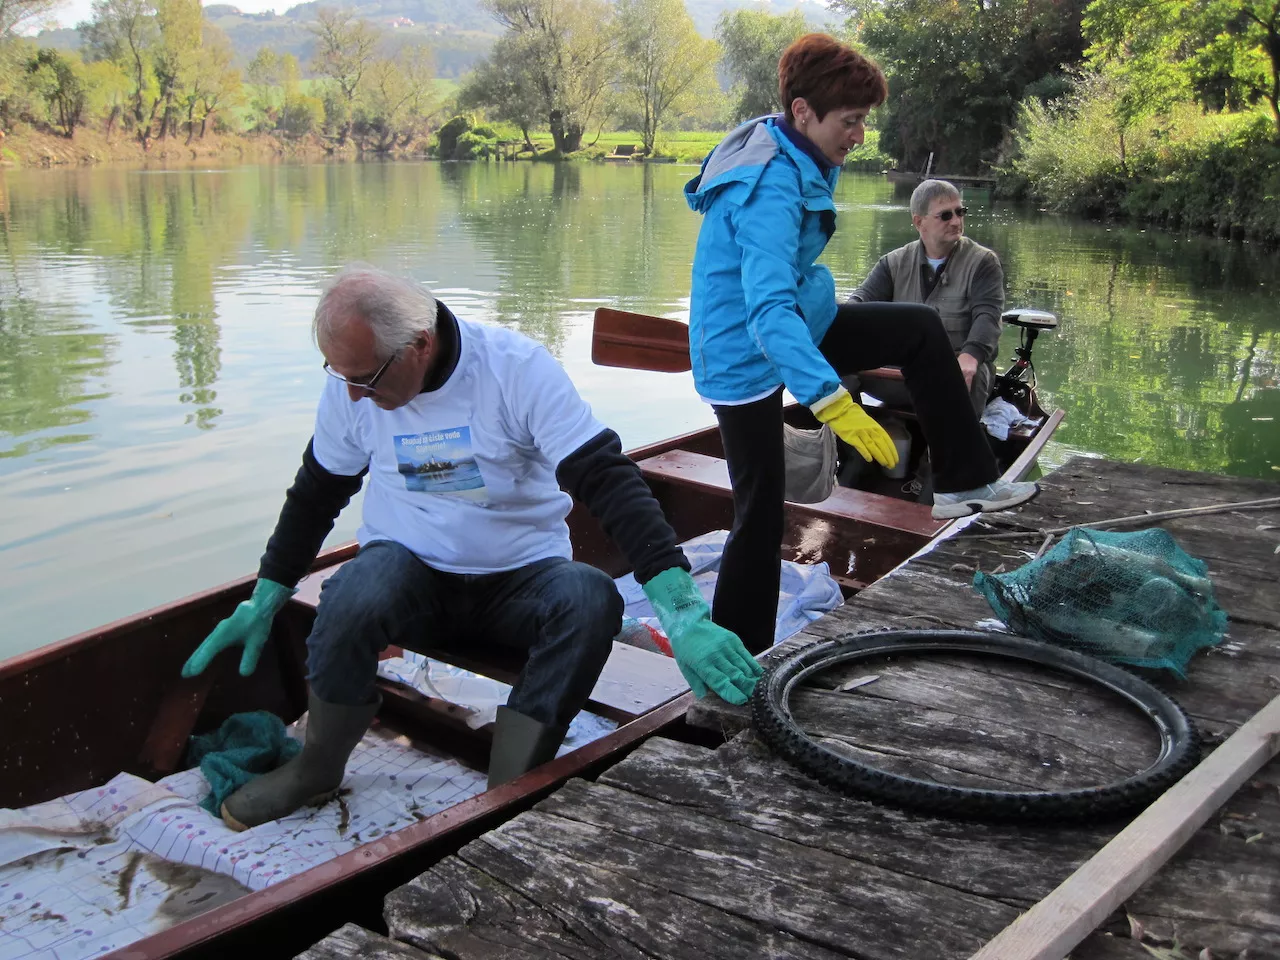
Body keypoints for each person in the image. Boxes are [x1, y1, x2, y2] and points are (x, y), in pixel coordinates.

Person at [180, 265, 761, 831]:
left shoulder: (515, 370)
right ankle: (317, 768)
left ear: (420, 344)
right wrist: (266, 595)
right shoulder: (353, 387)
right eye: (342, 376)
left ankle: (505, 795)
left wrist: (683, 613)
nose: (354, 394)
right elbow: (317, 493)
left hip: (520, 585)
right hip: (409, 577)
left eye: (367, 379)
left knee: (591, 597)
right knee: (351, 591)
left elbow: (607, 480)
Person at [684, 33, 1038, 654]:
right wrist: (831, 400)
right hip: (744, 355)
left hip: (798, 322)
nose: (859, 135)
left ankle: (963, 481)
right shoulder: (769, 186)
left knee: (919, 329)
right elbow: (766, 311)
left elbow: (783, 301)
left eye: (863, 120)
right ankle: (742, 659)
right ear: (803, 112)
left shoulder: (791, 142)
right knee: (760, 513)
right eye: (850, 121)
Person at [849, 178, 1004, 415]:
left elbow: (988, 316)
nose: (956, 221)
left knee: (969, 377)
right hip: (899, 373)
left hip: (954, 371)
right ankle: (851, 435)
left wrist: (970, 356)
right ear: (919, 222)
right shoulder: (893, 263)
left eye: (960, 212)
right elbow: (859, 304)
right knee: (839, 361)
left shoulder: (983, 262)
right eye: (945, 215)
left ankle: (954, 440)